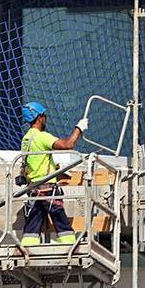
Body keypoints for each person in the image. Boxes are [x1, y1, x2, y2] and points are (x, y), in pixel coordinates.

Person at [18, 101, 88, 245]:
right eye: (44, 116)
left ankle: (27, 252)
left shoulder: (26, 138)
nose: (46, 119)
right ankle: (71, 249)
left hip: (34, 189)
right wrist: (79, 129)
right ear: (39, 118)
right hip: (48, 189)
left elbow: (36, 161)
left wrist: (55, 170)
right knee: (61, 223)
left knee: (32, 227)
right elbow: (68, 144)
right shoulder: (41, 136)